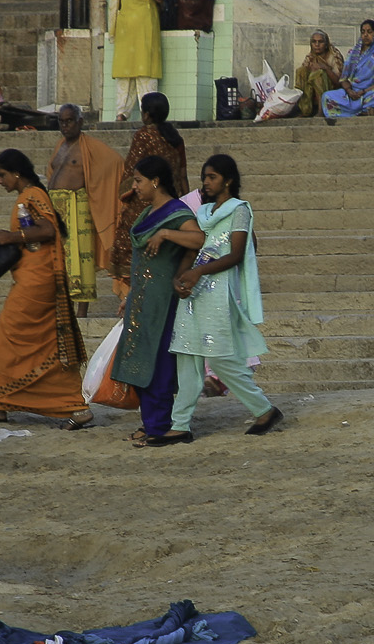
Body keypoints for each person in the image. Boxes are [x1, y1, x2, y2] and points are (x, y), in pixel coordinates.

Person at [160, 153, 281, 442]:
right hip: (194, 291)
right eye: (204, 177)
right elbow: (194, 248)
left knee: (220, 357)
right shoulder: (203, 212)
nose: (206, 183)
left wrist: (198, 273)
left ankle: (264, 409)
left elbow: (236, 255)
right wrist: (182, 276)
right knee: (187, 354)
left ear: (228, 180)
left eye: (212, 177)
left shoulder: (240, 210)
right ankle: (180, 425)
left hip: (220, 291)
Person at [0, 149, 93, 428]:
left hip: (38, 281)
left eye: (1, 175)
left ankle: (72, 406)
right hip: (31, 276)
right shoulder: (29, 196)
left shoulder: (33, 194)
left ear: (16, 173)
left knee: (8, 335)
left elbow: (48, 230)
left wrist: (12, 236)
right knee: (41, 344)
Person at [116, 155, 202, 445]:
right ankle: (149, 421)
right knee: (139, 359)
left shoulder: (176, 212)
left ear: (156, 181)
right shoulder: (146, 213)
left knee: (159, 361)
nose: (135, 186)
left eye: (139, 180)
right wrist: (129, 295)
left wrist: (166, 233)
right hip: (142, 299)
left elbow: (198, 239)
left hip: (163, 301)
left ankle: (160, 425)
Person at [44, 104, 126, 312]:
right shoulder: (60, 145)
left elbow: (116, 162)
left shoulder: (90, 146)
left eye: (69, 121)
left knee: (81, 257)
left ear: (80, 122)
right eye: (62, 121)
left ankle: (81, 311)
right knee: (57, 259)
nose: (65, 125)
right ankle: (63, 307)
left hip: (77, 205)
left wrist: (97, 189)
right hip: (56, 206)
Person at [112, 92, 189, 295]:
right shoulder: (175, 138)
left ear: (146, 114)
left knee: (130, 246)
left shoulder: (144, 135)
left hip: (145, 204)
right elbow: (182, 175)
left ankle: (132, 296)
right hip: (172, 203)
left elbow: (131, 173)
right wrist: (185, 203)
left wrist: (127, 194)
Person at [110, 0, 165, 121]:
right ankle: (150, 115)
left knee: (125, 78)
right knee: (145, 74)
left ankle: (121, 114)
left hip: (125, 32)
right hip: (143, 31)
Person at [321, 20, 374, 119]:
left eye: (369, 32)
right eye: (363, 32)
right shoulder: (353, 53)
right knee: (327, 96)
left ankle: (360, 110)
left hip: (369, 92)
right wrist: (349, 91)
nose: (365, 35)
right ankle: (364, 111)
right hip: (352, 94)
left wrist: (364, 91)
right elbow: (344, 79)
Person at [293, 31, 345, 119]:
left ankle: (321, 111)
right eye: (314, 42)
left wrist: (325, 68)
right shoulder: (310, 57)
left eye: (320, 42)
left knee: (319, 74)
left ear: (326, 44)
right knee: (301, 71)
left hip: (332, 91)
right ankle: (305, 109)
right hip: (313, 92)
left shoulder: (334, 56)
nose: (317, 44)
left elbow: (339, 82)